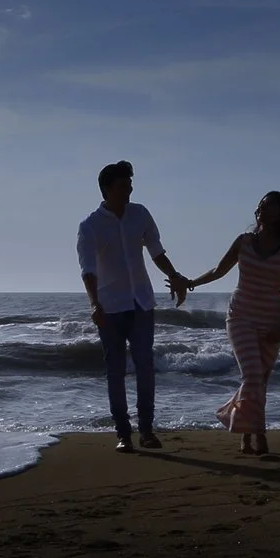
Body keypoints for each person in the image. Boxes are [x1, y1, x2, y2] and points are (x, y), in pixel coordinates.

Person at [76, 160, 193, 454]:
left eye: (130, 184)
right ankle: (123, 433)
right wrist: (94, 303)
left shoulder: (139, 214)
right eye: (123, 185)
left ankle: (147, 430)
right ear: (107, 189)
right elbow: (88, 269)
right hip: (110, 307)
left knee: (145, 367)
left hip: (141, 302)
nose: (129, 189)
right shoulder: (90, 226)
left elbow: (157, 251)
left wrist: (175, 276)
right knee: (115, 371)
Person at [184, 191, 280, 457]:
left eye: (269, 206)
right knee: (251, 376)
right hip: (240, 316)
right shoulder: (244, 241)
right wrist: (190, 283)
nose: (262, 209)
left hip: (272, 320)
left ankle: (244, 434)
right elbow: (218, 270)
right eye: (262, 205)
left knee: (260, 381)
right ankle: (259, 434)